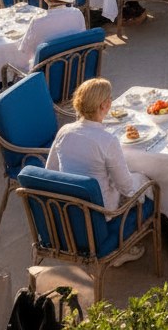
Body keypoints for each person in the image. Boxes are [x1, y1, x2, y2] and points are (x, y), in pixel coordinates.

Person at [45, 78, 151, 265]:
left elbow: (51, 170)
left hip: (68, 207)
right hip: (100, 211)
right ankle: (121, 245)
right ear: (105, 105)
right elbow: (126, 188)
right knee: (145, 180)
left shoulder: (64, 131)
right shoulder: (107, 140)